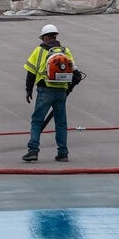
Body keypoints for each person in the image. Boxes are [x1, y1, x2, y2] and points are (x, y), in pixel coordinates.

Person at [22, 24, 79, 162]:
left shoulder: (39, 51)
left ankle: (33, 150)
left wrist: (28, 90)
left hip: (45, 90)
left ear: (46, 37)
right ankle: (63, 152)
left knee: (37, 121)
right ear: (55, 36)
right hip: (61, 92)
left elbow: (31, 72)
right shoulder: (66, 52)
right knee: (61, 123)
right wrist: (68, 89)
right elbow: (76, 74)